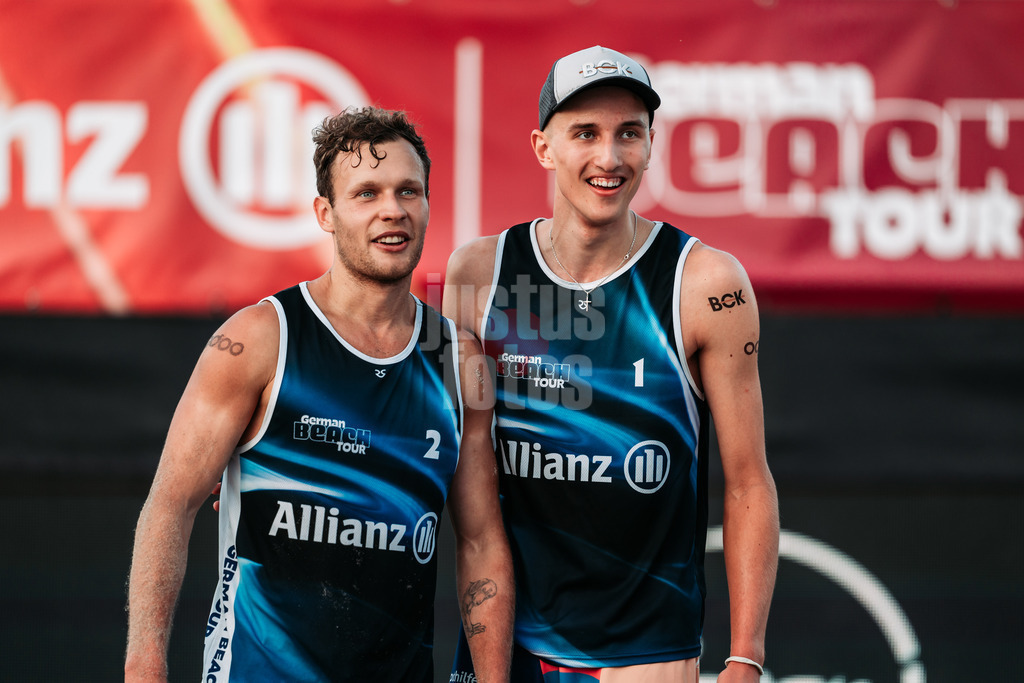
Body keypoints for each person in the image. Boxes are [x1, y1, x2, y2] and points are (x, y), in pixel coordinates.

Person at [124, 106, 514, 683]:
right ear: (325, 214)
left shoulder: (459, 361)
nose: (393, 210)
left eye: (410, 191)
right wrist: (143, 669)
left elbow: (481, 542)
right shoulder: (259, 338)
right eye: (367, 193)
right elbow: (169, 508)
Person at [444, 46, 779, 682]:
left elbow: (747, 482)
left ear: (652, 144)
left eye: (629, 133)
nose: (609, 157)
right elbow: (433, 424)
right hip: (503, 643)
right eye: (585, 134)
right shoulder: (478, 272)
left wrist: (746, 657)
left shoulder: (705, 284)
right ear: (544, 147)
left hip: (645, 652)